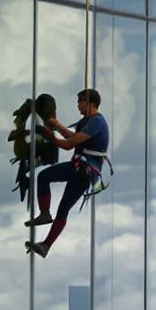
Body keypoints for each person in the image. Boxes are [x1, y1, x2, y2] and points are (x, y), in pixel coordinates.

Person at [26, 88, 110, 257]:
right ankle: (46, 246)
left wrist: (51, 136)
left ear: (91, 104)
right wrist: (56, 125)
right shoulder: (87, 121)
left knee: (44, 176)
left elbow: (69, 144)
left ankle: (44, 213)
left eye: (81, 101)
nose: (78, 104)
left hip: (82, 168)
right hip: (85, 172)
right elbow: (72, 137)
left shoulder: (96, 122)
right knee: (63, 208)